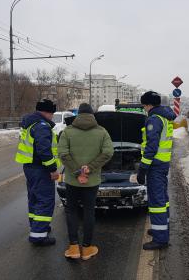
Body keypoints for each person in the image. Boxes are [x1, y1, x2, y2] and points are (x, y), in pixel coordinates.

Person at [58, 103, 114, 260]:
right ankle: (87, 248)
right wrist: (89, 168)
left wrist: (77, 172)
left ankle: (74, 247)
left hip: (73, 180)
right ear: (92, 115)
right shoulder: (102, 132)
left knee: (72, 210)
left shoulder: (67, 132)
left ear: (78, 115)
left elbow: (63, 153)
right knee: (89, 211)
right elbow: (108, 152)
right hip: (92, 180)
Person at [15, 99, 61, 246]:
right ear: (47, 112)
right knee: (45, 200)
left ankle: (37, 226)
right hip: (41, 168)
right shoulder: (41, 126)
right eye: (52, 113)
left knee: (34, 198)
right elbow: (44, 150)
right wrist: (53, 169)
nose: (52, 116)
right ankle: (39, 235)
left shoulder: (30, 123)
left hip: (30, 167)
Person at [137, 91, 176, 250]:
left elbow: (151, 147)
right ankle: (162, 228)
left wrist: (143, 168)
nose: (144, 109)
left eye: (144, 106)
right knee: (163, 198)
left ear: (148, 105)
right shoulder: (165, 116)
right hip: (162, 163)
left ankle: (160, 239)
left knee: (157, 200)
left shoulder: (154, 119)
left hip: (155, 164)